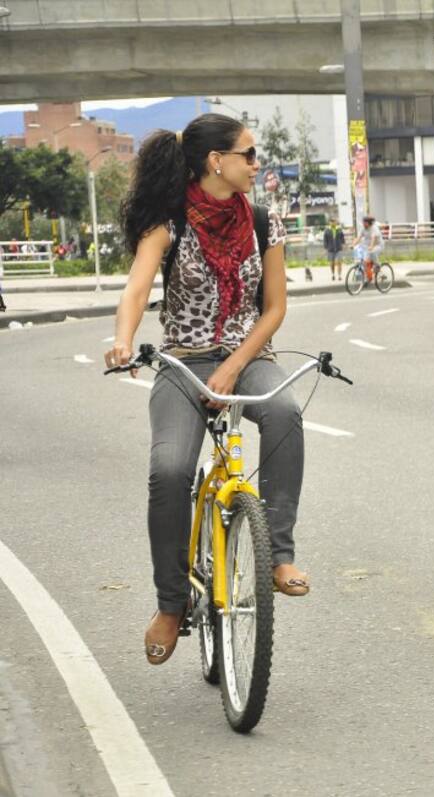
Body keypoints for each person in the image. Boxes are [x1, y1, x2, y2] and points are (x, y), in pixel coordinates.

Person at [103, 114, 309, 666]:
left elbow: (275, 309)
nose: (256, 164)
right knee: (170, 470)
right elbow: (137, 288)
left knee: (286, 413)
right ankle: (171, 604)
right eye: (249, 154)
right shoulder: (169, 222)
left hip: (249, 357)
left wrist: (235, 365)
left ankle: (279, 555)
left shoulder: (263, 222)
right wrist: (123, 340)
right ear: (216, 161)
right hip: (184, 361)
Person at [354, 214, 383, 281]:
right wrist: (353, 245)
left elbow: (373, 238)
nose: (363, 224)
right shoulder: (363, 228)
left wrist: (371, 246)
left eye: (365, 222)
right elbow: (359, 238)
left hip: (378, 245)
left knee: (372, 251)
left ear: (369, 223)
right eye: (363, 222)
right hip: (368, 245)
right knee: (366, 262)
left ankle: (378, 265)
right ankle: (369, 277)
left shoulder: (374, 228)